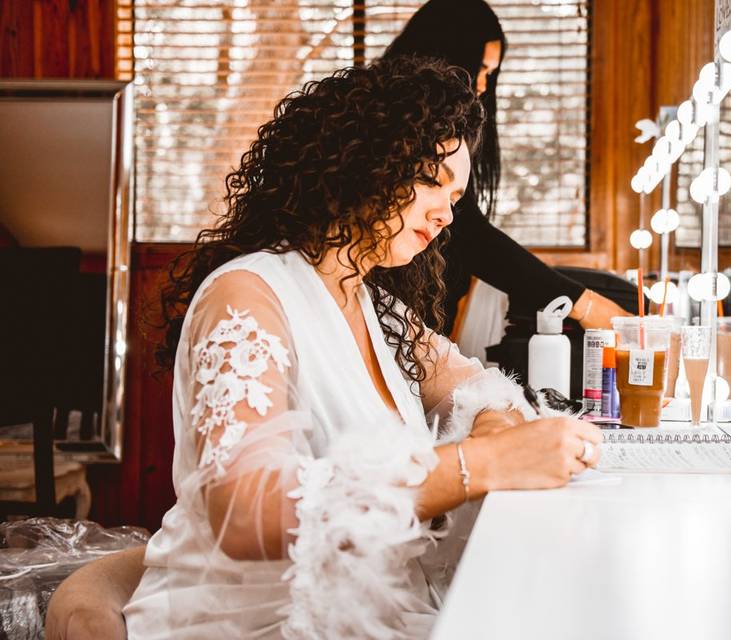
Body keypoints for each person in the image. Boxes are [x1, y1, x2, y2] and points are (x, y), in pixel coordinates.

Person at [85, 57, 603, 638]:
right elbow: (242, 511)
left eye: (456, 197)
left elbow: (478, 385)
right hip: (258, 623)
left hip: (378, 610)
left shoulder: (373, 304)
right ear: (363, 163)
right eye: (431, 181)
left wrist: (493, 426)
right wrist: (479, 464)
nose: (444, 213)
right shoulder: (249, 294)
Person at [383, 0, 629, 335]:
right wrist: (585, 305)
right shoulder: (397, 127)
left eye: (491, 74)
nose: (484, 85)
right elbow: (473, 238)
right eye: (481, 70)